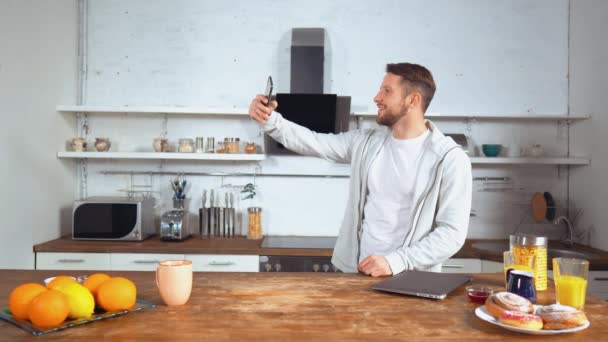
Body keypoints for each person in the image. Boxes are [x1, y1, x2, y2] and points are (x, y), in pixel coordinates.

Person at [248, 63, 472, 277]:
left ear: (413, 100)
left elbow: (451, 234)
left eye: (387, 91)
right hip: (359, 273)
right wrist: (270, 120)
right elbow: (315, 142)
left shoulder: (449, 158)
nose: (377, 98)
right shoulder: (366, 143)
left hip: (411, 279)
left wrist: (395, 262)